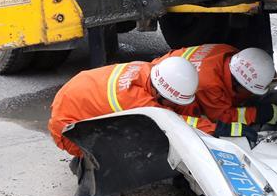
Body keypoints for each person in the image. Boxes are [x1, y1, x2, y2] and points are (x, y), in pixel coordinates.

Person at [49, 57, 255, 161]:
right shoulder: (132, 99)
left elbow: (175, 108)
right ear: (158, 94)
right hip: (68, 132)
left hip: (72, 101)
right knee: (148, 137)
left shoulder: (150, 70)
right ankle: (94, 161)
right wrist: (222, 129)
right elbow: (175, 124)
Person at [152, 45, 277, 127]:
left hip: (169, 68)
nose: (250, 94)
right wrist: (256, 114)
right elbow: (220, 117)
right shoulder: (210, 84)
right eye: (249, 90)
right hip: (165, 91)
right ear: (237, 83)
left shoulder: (230, 54)